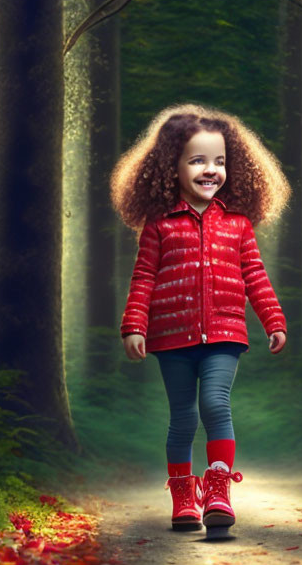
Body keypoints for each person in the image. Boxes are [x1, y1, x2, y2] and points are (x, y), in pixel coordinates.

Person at [112, 103, 290, 532]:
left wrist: (274, 320)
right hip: (171, 337)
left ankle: (218, 492)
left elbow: (256, 277)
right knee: (183, 417)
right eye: (198, 161)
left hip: (226, 333)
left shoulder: (238, 225)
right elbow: (143, 279)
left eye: (220, 161)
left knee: (215, 403)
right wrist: (134, 326)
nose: (211, 170)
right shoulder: (160, 225)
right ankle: (182, 497)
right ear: (170, 167)